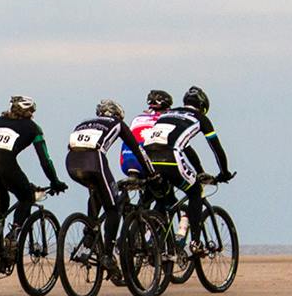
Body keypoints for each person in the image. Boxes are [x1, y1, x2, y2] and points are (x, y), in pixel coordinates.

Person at [62, 100, 150, 258]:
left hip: (71, 162)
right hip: (94, 160)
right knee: (113, 208)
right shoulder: (118, 123)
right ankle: (108, 255)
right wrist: (152, 173)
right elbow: (137, 149)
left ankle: (91, 230)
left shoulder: (84, 123)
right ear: (117, 114)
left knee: (98, 190)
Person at [134, 83, 233, 222]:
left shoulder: (169, 113)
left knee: (164, 198)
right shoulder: (201, 118)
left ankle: (154, 238)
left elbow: (186, 148)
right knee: (195, 192)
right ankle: (195, 242)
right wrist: (224, 172)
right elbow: (217, 149)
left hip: (147, 158)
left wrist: (199, 170)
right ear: (202, 107)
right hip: (169, 157)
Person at [0, 95, 65, 232]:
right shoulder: (34, 128)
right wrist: (55, 181)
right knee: (26, 197)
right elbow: (45, 160)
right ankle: (14, 235)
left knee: (2, 206)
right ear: (29, 111)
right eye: (32, 111)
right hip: (5, 165)